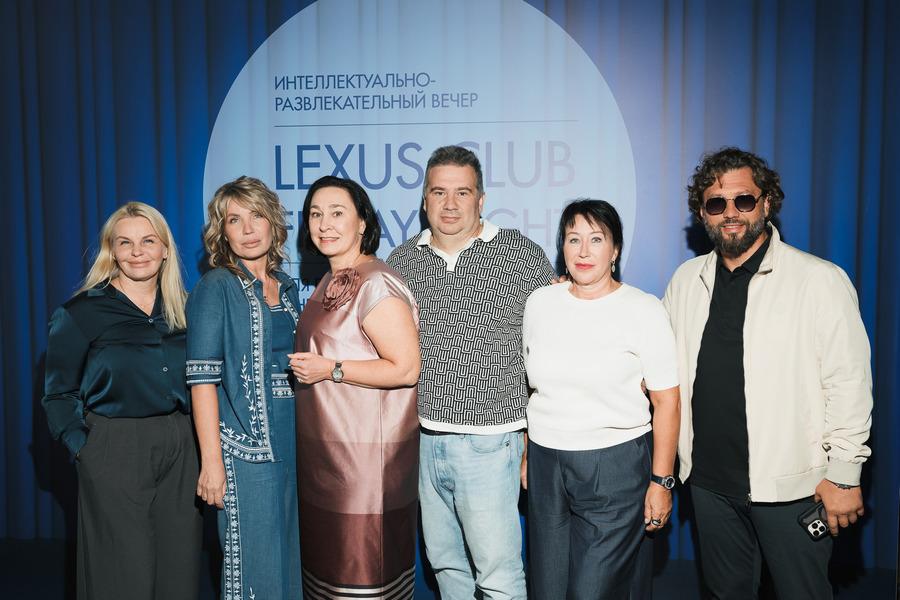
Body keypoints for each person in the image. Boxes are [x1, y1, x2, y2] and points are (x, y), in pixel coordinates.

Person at [663, 147, 873, 599]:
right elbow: (649, 357)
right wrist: (581, 298)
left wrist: (845, 474)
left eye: (744, 200)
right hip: (709, 485)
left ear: (767, 203)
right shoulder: (685, 280)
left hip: (794, 487)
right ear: (702, 213)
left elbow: (849, 382)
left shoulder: (818, 280)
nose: (731, 213)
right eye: (716, 204)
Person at [387, 145, 555, 599]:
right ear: (424, 199)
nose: (450, 204)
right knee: (446, 567)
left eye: (462, 192)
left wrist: (533, 438)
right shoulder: (401, 262)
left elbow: (552, 343)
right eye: (438, 192)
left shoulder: (519, 254)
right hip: (422, 441)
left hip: (491, 443)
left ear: (481, 199)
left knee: (497, 576)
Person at [521, 199, 680, 599]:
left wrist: (661, 481)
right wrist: (527, 453)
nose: (584, 251)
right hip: (546, 462)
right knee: (547, 589)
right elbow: (532, 387)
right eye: (573, 239)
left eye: (596, 239)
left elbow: (668, 402)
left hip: (615, 466)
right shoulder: (540, 302)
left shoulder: (643, 309)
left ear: (615, 250)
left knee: (593, 592)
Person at [42, 202, 201, 600]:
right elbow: (58, 393)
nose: (137, 252)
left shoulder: (188, 309)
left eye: (148, 241)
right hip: (115, 446)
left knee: (179, 570)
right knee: (122, 574)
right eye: (125, 242)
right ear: (111, 251)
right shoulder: (81, 312)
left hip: (183, 445)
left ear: (165, 249)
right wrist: (86, 449)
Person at [290, 175, 421, 599]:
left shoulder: (376, 283)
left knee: (361, 579)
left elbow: (406, 369)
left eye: (337, 213)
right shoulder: (330, 280)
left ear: (362, 222)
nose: (324, 224)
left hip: (364, 471)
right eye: (315, 214)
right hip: (325, 463)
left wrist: (331, 369)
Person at [186, 176, 302, 599]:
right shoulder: (216, 286)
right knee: (254, 565)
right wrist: (212, 462)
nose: (248, 229)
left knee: (290, 556)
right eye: (235, 220)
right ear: (223, 232)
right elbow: (202, 380)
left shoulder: (286, 287)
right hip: (245, 448)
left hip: (293, 441)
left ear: (273, 222)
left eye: (256, 216)